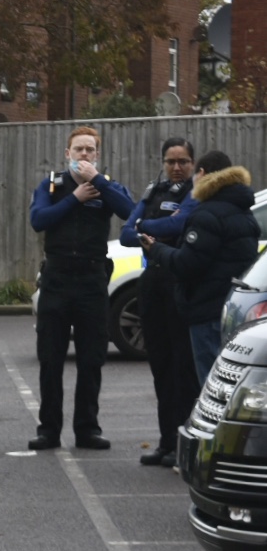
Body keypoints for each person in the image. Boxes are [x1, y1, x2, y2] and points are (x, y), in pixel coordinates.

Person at [28, 126, 134, 451]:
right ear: (67, 154)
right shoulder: (52, 185)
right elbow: (39, 220)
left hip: (91, 279)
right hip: (57, 278)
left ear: (97, 155)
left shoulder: (107, 187)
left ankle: (87, 429)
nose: (84, 155)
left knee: (91, 359)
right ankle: (49, 430)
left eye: (90, 150)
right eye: (79, 150)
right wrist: (75, 198)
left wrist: (98, 182)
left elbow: (131, 214)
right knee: (51, 358)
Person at [143, 151, 260, 387]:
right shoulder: (243, 211)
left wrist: (155, 249)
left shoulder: (207, 213)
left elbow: (187, 265)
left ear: (202, 174)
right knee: (232, 384)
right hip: (234, 310)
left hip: (206, 310)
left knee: (212, 387)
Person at [120, 138, 199, 467]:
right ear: (163, 162)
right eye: (171, 161)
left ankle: (186, 446)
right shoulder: (154, 191)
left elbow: (177, 224)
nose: (177, 167)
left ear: (192, 163)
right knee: (160, 367)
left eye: (183, 161)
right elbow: (125, 233)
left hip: (179, 282)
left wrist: (143, 227)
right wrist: (143, 230)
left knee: (184, 369)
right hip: (152, 283)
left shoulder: (197, 193)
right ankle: (167, 443)